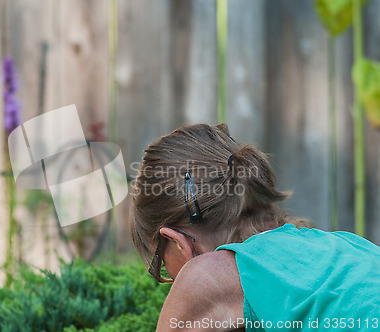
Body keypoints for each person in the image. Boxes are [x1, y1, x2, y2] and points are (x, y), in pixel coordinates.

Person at [129, 123, 380, 331]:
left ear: (176, 241)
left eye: (160, 264)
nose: (170, 280)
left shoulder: (203, 278)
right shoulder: (348, 246)